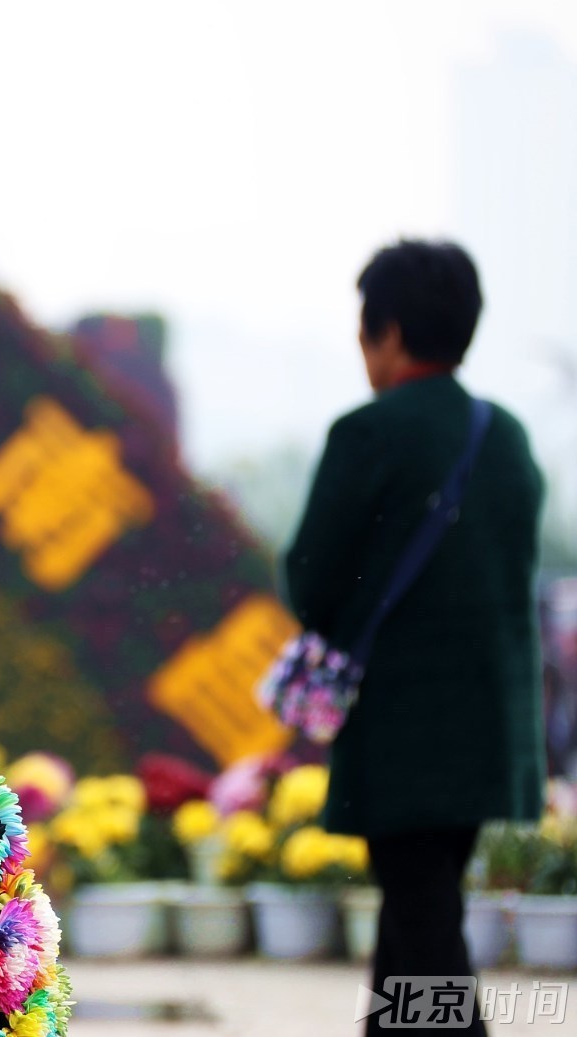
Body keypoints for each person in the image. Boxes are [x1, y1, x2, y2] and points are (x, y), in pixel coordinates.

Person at [284, 240, 545, 1035]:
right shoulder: (505, 437)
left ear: (389, 332)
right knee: (417, 916)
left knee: (426, 933)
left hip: (403, 735)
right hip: (488, 733)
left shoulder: (369, 432)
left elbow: (312, 583)